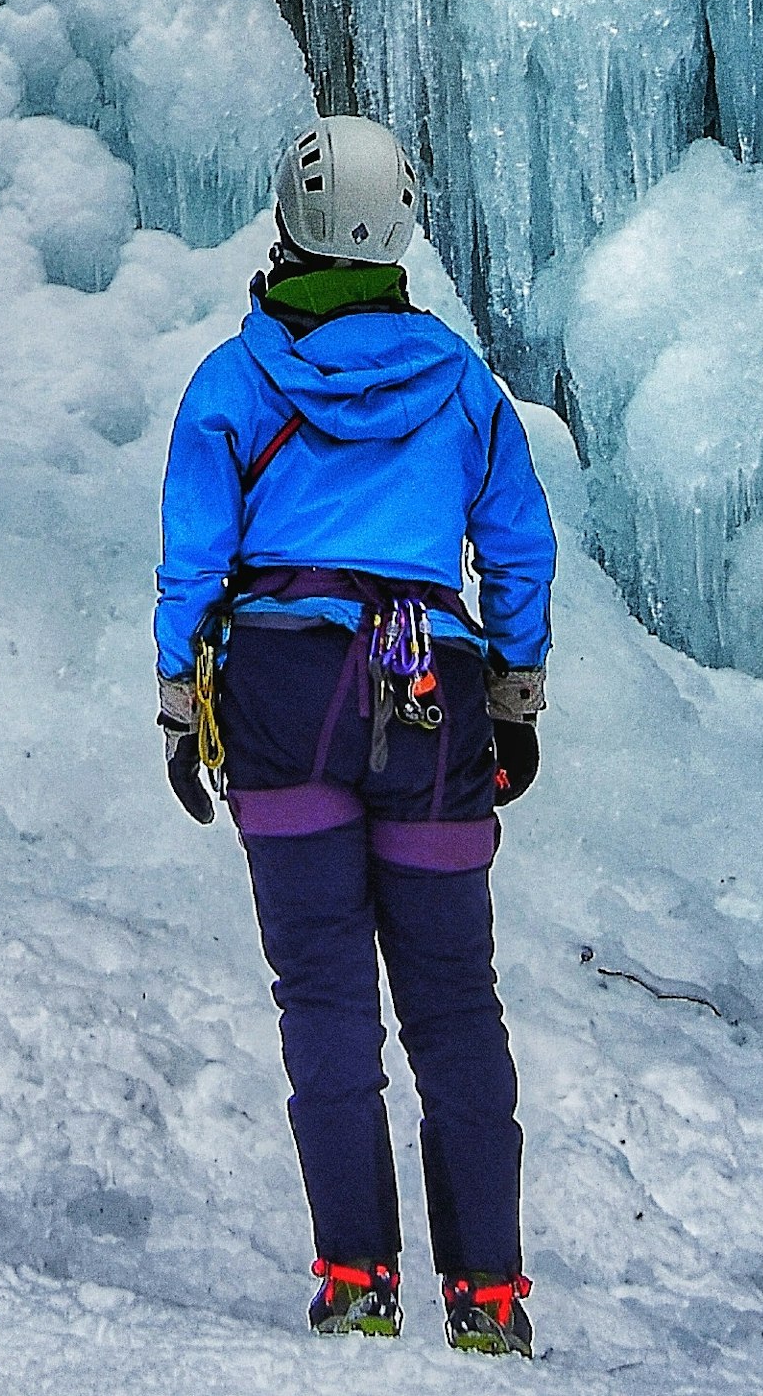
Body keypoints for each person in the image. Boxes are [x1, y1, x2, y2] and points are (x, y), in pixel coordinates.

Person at [154, 116, 555, 1358]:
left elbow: (192, 559)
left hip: (284, 686)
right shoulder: (460, 381)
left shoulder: (235, 379)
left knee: (323, 989)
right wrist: (516, 694)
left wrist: (181, 699)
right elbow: (519, 543)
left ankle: (357, 1275)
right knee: (452, 1002)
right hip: (430, 683)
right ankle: (487, 1294)